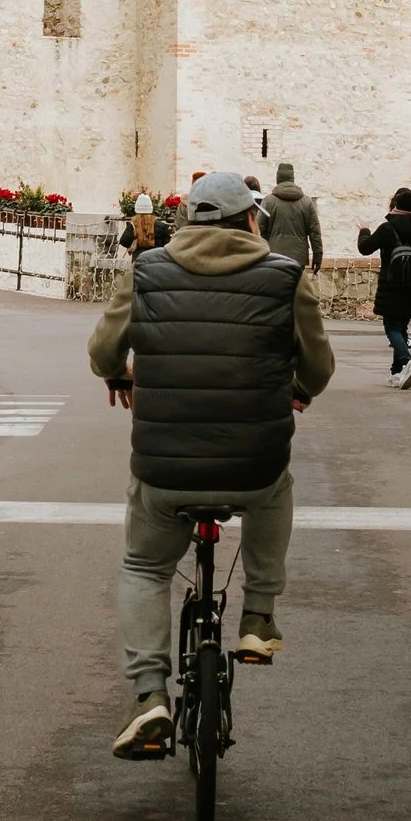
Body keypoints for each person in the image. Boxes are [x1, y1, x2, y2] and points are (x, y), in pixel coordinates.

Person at [90, 168, 334, 756]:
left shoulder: (146, 270)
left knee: (146, 568)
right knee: (275, 487)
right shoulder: (285, 275)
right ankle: (258, 617)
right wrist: (295, 387)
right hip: (252, 462)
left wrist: (119, 375)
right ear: (251, 219)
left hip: (165, 468)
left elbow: (103, 352)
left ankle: (149, 697)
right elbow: (318, 369)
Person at [358, 190, 411, 388]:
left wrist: (364, 230)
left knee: (392, 328)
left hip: (392, 283)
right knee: (402, 327)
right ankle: (396, 372)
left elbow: (365, 248)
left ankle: (407, 361)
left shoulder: (388, 228)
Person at [264, 161, 324, 275]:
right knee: (294, 288)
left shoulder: (268, 202)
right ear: (292, 178)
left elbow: (260, 229)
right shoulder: (306, 202)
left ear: (278, 178)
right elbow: (314, 232)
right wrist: (318, 255)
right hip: (298, 256)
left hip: (274, 255)